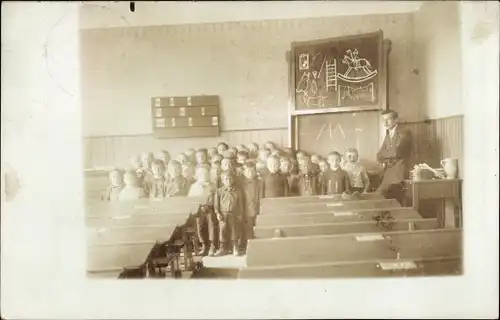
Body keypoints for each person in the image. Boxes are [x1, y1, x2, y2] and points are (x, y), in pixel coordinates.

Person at [376, 110, 413, 201]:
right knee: (379, 195)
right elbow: (379, 155)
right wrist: (388, 158)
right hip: (389, 171)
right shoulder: (388, 135)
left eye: (388, 119)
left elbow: (396, 152)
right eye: (383, 120)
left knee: (389, 197)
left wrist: (386, 157)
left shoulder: (404, 132)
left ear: (396, 120)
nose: (385, 122)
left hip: (400, 171)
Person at [188, 164, 217, 256]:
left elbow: (216, 198)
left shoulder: (213, 185)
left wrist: (209, 205)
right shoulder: (194, 186)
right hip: (198, 210)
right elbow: (191, 199)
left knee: (211, 225)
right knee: (199, 227)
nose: (203, 175)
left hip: (210, 209)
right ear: (197, 175)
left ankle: (212, 245)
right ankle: (204, 245)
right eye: (200, 173)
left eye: (205, 173)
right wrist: (199, 206)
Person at [214, 171, 244, 256]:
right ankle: (222, 248)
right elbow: (216, 204)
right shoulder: (219, 191)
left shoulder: (238, 190)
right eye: (226, 179)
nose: (228, 180)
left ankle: (235, 247)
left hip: (234, 214)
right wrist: (217, 213)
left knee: (234, 230)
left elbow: (241, 203)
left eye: (230, 178)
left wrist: (240, 214)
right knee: (222, 230)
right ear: (222, 180)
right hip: (223, 214)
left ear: (233, 179)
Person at [241, 161, 261, 252]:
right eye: (248, 171)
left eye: (253, 171)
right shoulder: (241, 184)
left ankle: (259, 246)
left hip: (258, 209)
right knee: (248, 229)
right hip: (246, 210)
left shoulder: (260, 182)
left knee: (258, 228)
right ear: (243, 172)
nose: (251, 173)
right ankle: (249, 247)